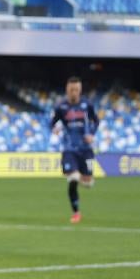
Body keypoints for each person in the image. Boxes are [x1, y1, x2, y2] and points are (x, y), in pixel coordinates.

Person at [50, 76, 99, 223]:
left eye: (76, 89)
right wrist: (55, 129)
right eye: (71, 89)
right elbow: (52, 123)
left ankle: (85, 178)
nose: (74, 92)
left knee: (88, 183)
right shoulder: (61, 107)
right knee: (73, 178)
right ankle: (76, 212)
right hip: (69, 149)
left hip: (86, 149)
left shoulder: (87, 105)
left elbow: (96, 121)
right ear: (67, 89)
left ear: (80, 90)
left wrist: (91, 133)